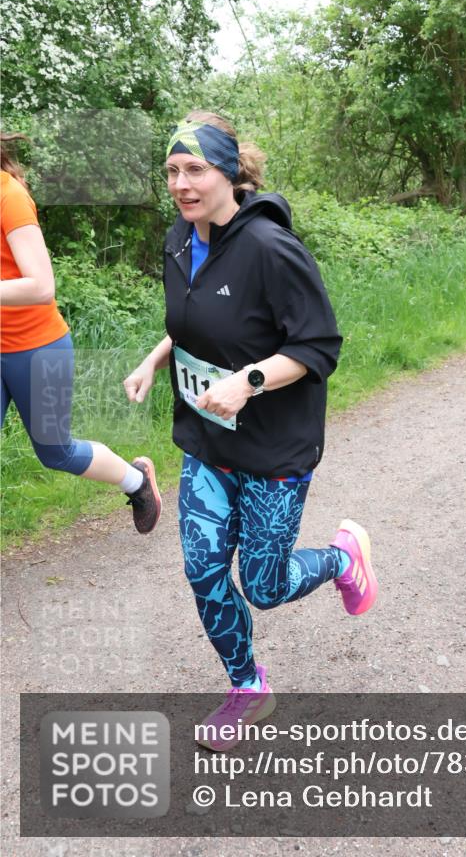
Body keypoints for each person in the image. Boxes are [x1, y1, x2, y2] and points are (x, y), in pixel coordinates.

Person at [124, 110, 378, 750]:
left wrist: (249, 381)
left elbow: (318, 346)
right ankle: (248, 686)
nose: (181, 184)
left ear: (229, 173)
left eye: (195, 169)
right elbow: (194, 321)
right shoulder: (178, 240)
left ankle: (342, 558)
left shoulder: (271, 249)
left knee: (264, 586)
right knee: (204, 570)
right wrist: (154, 361)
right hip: (208, 441)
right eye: (171, 171)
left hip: (273, 449)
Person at [0, 132, 161, 533]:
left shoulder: (9, 197)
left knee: (56, 452)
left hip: (37, 349)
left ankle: (137, 481)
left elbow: (41, 285)